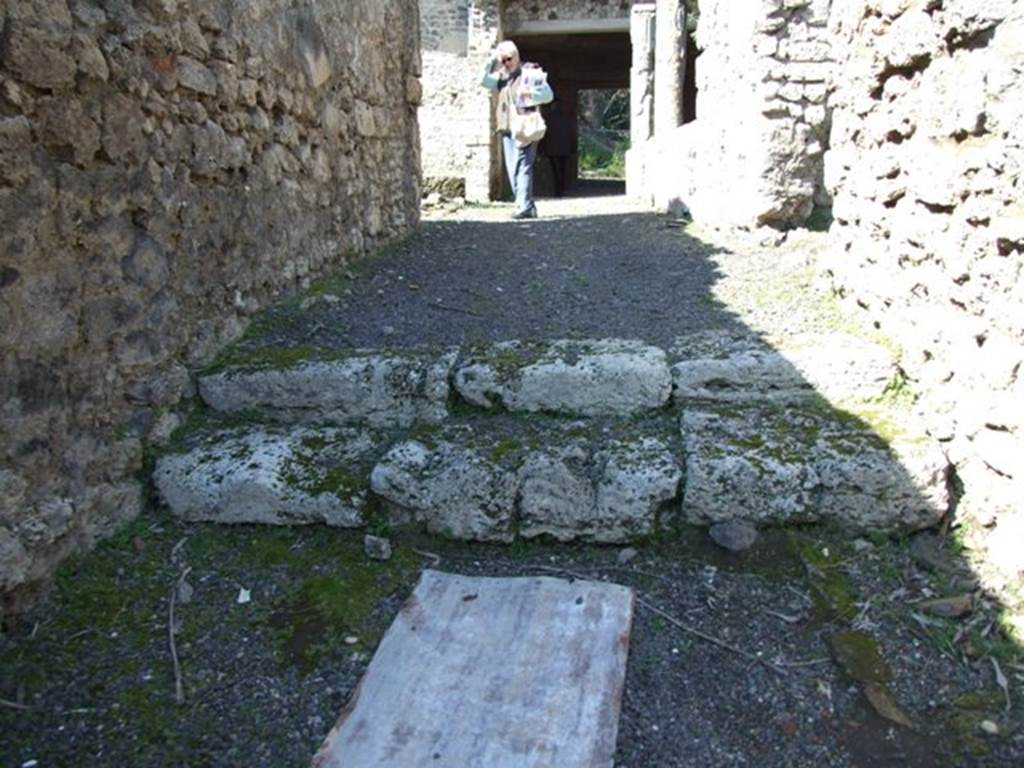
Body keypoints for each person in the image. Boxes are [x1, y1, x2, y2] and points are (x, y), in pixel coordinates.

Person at [481, 40, 554, 219]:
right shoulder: (501, 77)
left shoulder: (530, 72)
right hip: (507, 129)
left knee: (523, 166)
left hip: (525, 127)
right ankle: (527, 205)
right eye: (503, 60)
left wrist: (531, 94)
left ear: (516, 56)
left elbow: (548, 95)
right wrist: (491, 61)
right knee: (513, 169)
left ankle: (522, 206)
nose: (506, 63)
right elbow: (483, 81)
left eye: (509, 58)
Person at [540, 97, 573, 197]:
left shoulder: (547, 118)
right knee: (562, 169)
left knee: (555, 170)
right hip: (564, 148)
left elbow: (544, 134)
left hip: (552, 148)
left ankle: (557, 189)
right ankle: (561, 188)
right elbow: (570, 133)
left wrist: (542, 148)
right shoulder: (565, 117)